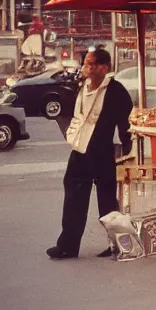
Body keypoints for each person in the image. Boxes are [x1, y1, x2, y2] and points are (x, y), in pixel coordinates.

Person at [47, 48, 134, 259]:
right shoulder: (82, 86)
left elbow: (125, 120)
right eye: (86, 63)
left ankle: (118, 245)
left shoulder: (115, 90)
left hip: (102, 151)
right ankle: (68, 246)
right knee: (74, 197)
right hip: (80, 148)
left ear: (105, 68)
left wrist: (126, 147)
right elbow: (78, 114)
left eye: (92, 64)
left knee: (107, 199)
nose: (87, 67)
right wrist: (71, 134)